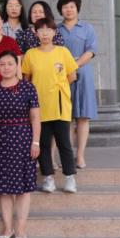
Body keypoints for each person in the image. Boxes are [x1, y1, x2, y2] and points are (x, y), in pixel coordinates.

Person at [0, 51, 41, 238]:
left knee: (23, 188)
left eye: (10, 64)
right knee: (4, 188)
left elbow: (35, 117)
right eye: (2, 64)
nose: (6, 67)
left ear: (17, 66)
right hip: (0, 139)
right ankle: (7, 227)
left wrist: (36, 142)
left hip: (23, 138)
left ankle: (21, 228)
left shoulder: (28, 87)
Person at [22, 19, 79, 194]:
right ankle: (48, 178)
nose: (45, 33)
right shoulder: (30, 54)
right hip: (39, 106)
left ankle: (70, 177)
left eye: (49, 30)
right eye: (41, 30)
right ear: (35, 33)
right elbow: (26, 79)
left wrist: (57, 88)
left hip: (60, 105)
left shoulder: (63, 51)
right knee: (43, 143)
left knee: (64, 143)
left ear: (55, 32)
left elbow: (72, 76)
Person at [57, 0, 98, 170]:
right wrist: (67, 68)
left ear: (77, 9)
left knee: (82, 116)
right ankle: (66, 156)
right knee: (65, 117)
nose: (69, 10)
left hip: (83, 74)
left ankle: (80, 156)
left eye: (72, 6)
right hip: (61, 75)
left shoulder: (87, 28)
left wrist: (74, 65)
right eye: (65, 7)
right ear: (60, 10)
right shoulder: (56, 29)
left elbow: (91, 51)